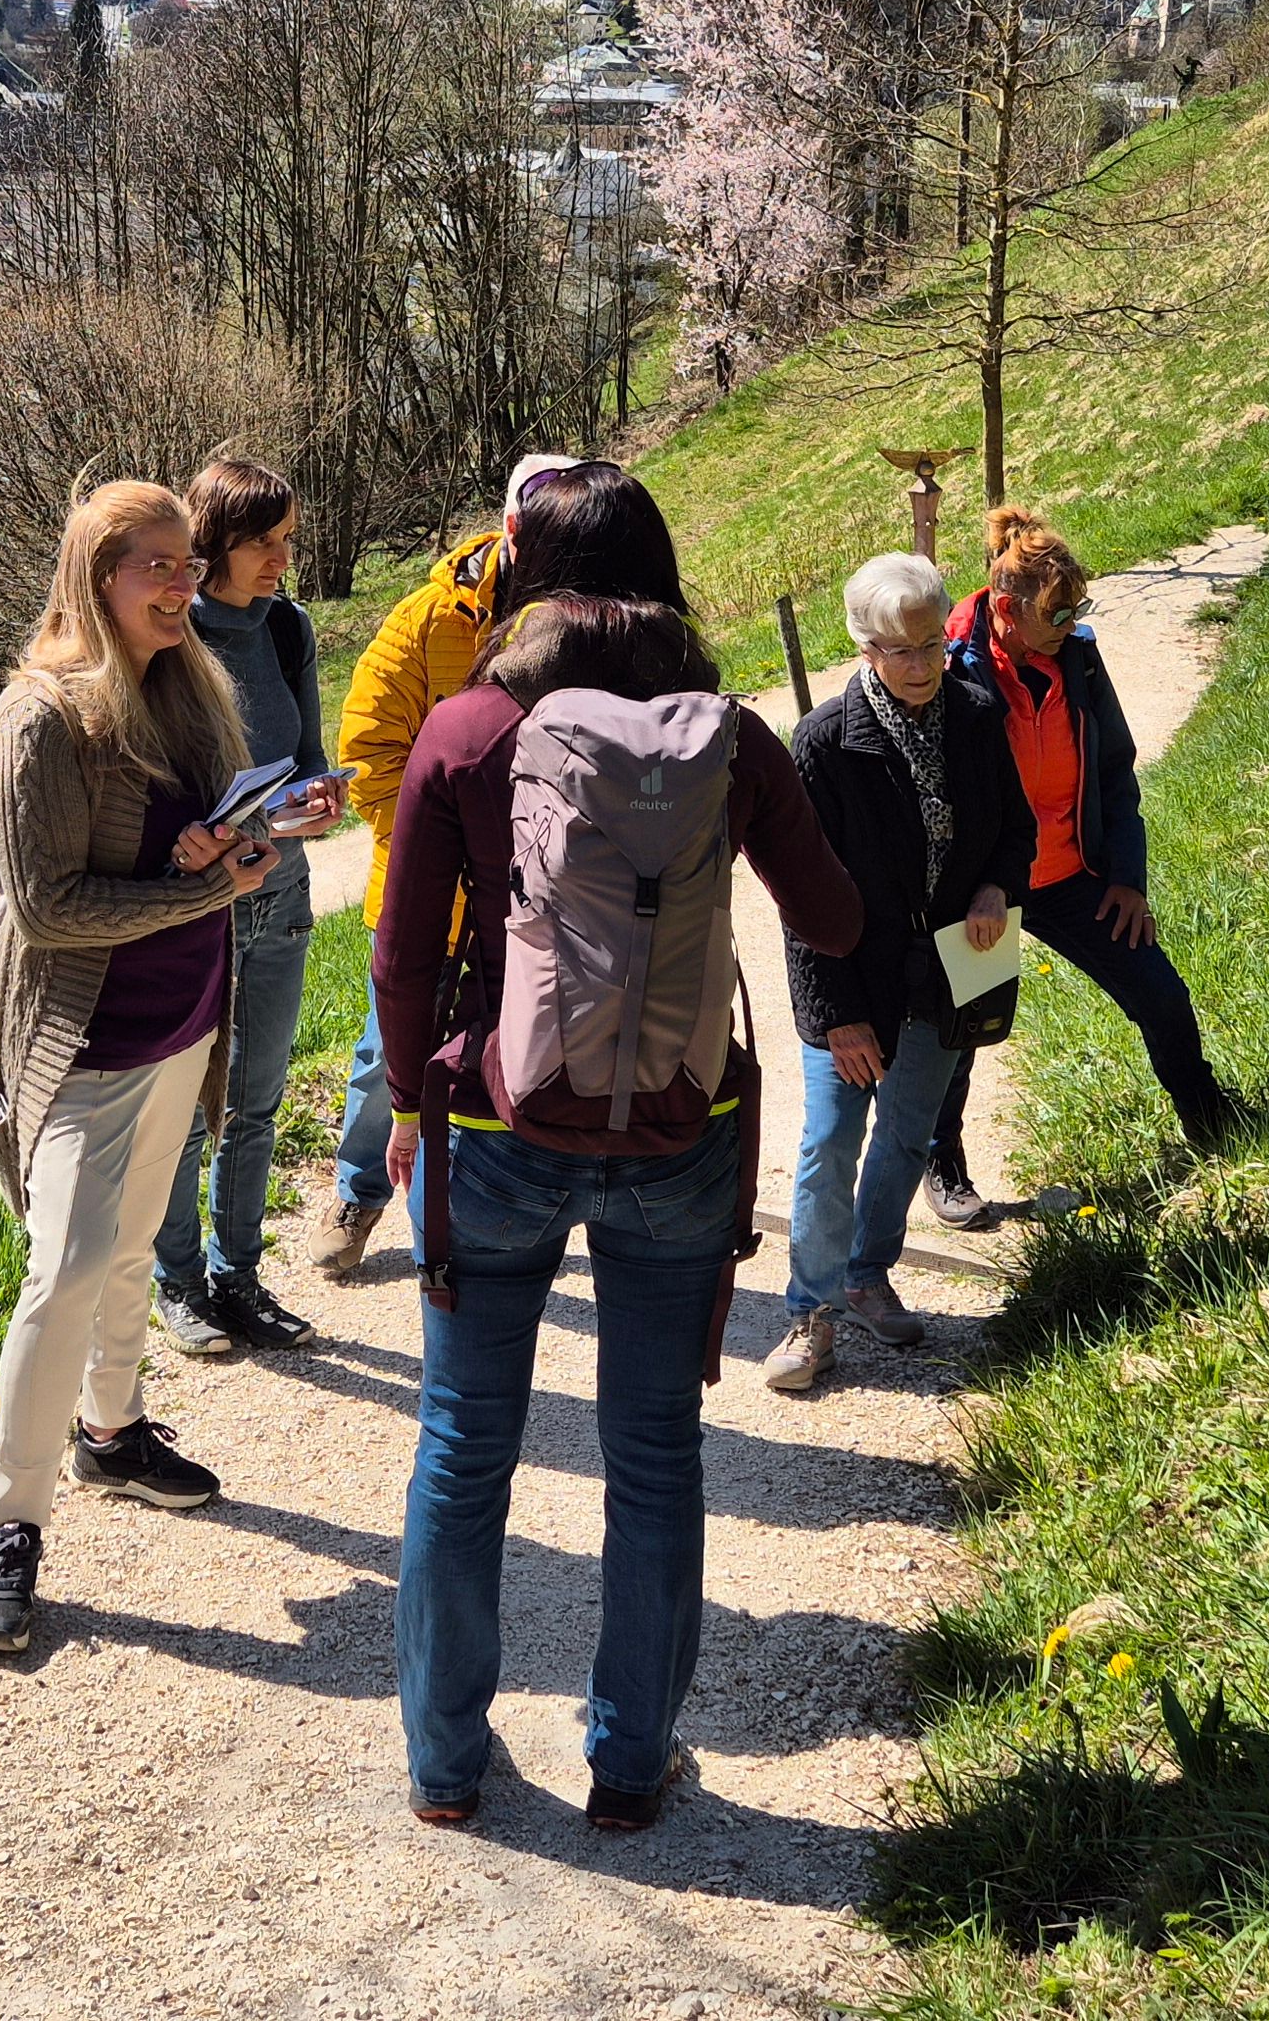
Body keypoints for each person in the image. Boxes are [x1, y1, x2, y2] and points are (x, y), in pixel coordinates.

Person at [373, 476, 860, 1832]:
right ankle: (632, 1763)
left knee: (466, 1450)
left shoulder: (469, 727)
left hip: (498, 1123)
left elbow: (406, 954)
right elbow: (829, 915)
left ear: (522, 575)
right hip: (680, 1130)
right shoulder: (732, 736)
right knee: (655, 1454)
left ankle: (446, 1766)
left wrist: (411, 1111)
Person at [0, 479, 279, 1655]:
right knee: (65, 1271)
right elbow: (45, 909)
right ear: (97, 573)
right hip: (83, 1045)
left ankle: (114, 1432)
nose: (182, 586)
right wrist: (205, 882)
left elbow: (196, 839)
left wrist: (245, 834)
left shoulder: (186, 688)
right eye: (156, 566)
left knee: (134, 1245)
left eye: (189, 566)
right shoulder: (40, 715)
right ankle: (13, 1526)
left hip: (182, 1021)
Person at [765, 552, 1037, 1394]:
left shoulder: (976, 714)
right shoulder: (821, 743)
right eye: (900, 650)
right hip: (853, 980)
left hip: (949, 971)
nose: (921, 666)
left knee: (909, 1134)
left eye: (933, 646)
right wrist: (835, 1016)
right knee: (828, 1141)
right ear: (864, 649)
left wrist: (998, 884)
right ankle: (809, 1314)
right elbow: (802, 898)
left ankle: (866, 1272)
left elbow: (1015, 830)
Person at [313, 451, 585, 1273]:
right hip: (435, 893)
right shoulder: (428, 619)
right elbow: (366, 750)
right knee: (383, 1059)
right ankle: (358, 1194)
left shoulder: (580, 621)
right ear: (510, 530)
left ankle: (518, 1195)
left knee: (534, 1049)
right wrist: (444, 838)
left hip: (548, 896)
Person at [927, 506, 1238, 1199]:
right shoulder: (951, 666)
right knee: (961, 1033)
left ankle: (1209, 1115)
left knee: (1160, 993)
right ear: (1007, 609)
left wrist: (1126, 877)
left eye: (1077, 611)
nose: (1070, 627)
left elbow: (1115, 770)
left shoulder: (1079, 658)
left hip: (1072, 873)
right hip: (984, 888)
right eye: (1056, 615)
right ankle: (941, 1161)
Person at [151, 454, 348, 1359]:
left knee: (257, 1102)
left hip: (283, 892)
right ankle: (178, 1285)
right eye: (262, 544)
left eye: (286, 541)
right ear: (215, 542)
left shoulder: (287, 628)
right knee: (190, 1109)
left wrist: (319, 795)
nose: (280, 559)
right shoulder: (166, 636)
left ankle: (240, 1280)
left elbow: (308, 752)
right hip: (196, 908)